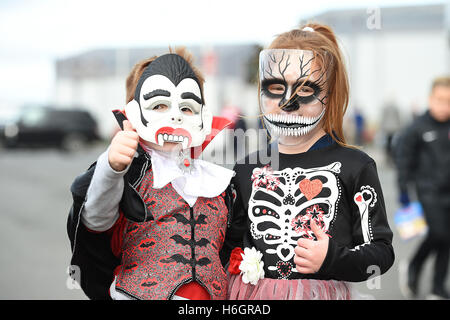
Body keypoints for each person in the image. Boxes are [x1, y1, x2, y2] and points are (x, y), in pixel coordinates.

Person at [223, 24, 395, 300]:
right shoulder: (246, 168)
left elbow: (381, 251)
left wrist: (332, 258)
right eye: (276, 87)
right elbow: (229, 245)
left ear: (331, 92)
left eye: (305, 89)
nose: (287, 102)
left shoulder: (355, 166)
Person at [67, 48, 236, 300]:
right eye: (159, 104)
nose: (176, 115)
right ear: (134, 113)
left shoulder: (221, 184)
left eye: (187, 108)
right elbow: (95, 221)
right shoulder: (129, 177)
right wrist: (111, 168)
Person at [395, 76, 450, 300]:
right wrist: (403, 191)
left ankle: (438, 288)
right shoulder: (416, 128)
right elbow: (403, 159)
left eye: (449, 101)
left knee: (447, 239)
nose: (444, 105)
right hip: (427, 191)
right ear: (430, 98)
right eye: (440, 99)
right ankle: (413, 265)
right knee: (439, 234)